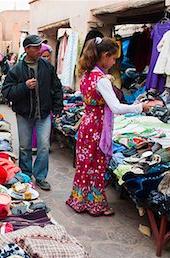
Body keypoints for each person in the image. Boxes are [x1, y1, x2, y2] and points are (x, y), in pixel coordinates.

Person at [66, 37, 150, 216]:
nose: (114, 62)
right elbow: (117, 107)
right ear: (105, 56)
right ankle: (95, 205)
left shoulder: (86, 74)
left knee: (84, 164)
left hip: (87, 123)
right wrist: (140, 107)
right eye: (113, 58)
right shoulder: (101, 79)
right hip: (97, 127)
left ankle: (79, 200)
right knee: (96, 165)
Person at [2, 34, 63, 191]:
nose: (38, 50)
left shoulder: (47, 67)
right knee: (24, 147)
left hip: (43, 114)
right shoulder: (16, 70)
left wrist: (57, 108)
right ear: (26, 49)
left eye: (39, 47)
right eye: (35, 47)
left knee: (44, 146)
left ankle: (41, 177)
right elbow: (7, 91)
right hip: (24, 114)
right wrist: (24, 86)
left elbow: (56, 87)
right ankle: (26, 176)